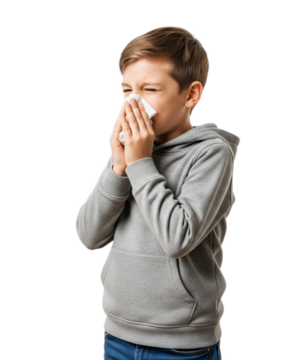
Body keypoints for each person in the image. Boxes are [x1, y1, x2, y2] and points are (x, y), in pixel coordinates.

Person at [74, 25, 241, 360]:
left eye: (149, 89)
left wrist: (139, 162)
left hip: (182, 342)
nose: (134, 103)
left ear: (191, 95)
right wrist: (119, 168)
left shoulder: (210, 153)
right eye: (127, 90)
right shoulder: (130, 153)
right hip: (117, 332)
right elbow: (88, 236)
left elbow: (177, 238)